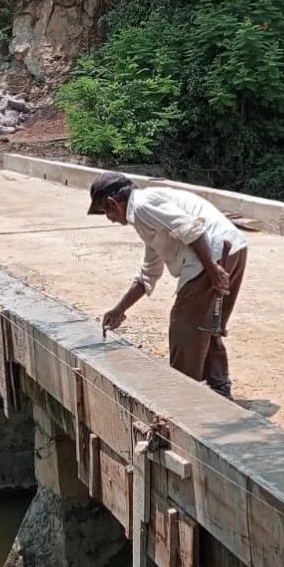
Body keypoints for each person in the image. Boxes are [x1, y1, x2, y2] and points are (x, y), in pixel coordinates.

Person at [90, 171, 249, 399]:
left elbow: (189, 228)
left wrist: (213, 270)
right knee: (206, 327)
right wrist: (119, 309)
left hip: (213, 255)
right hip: (233, 248)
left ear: (112, 203)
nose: (110, 219)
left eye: (106, 212)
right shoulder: (144, 217)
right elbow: (149, 272)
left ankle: (183, 400)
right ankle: (220, 392)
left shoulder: (143, 205)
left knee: (184, 329)